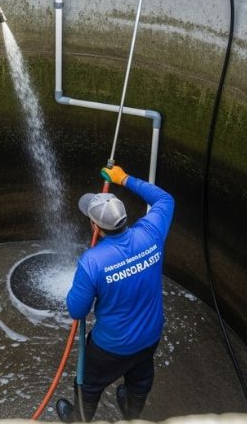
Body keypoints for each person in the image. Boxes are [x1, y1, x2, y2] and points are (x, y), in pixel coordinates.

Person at [56, 165, 176, 422]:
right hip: (150, 335)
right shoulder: (151, 233)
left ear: (95, 226)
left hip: (111, 347)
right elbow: (165, 199)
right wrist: (124, 179)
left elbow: (77, 310)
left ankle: (79, 419)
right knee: (140, 377)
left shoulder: (93, 262)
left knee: (88, 385)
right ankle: (132, 412)